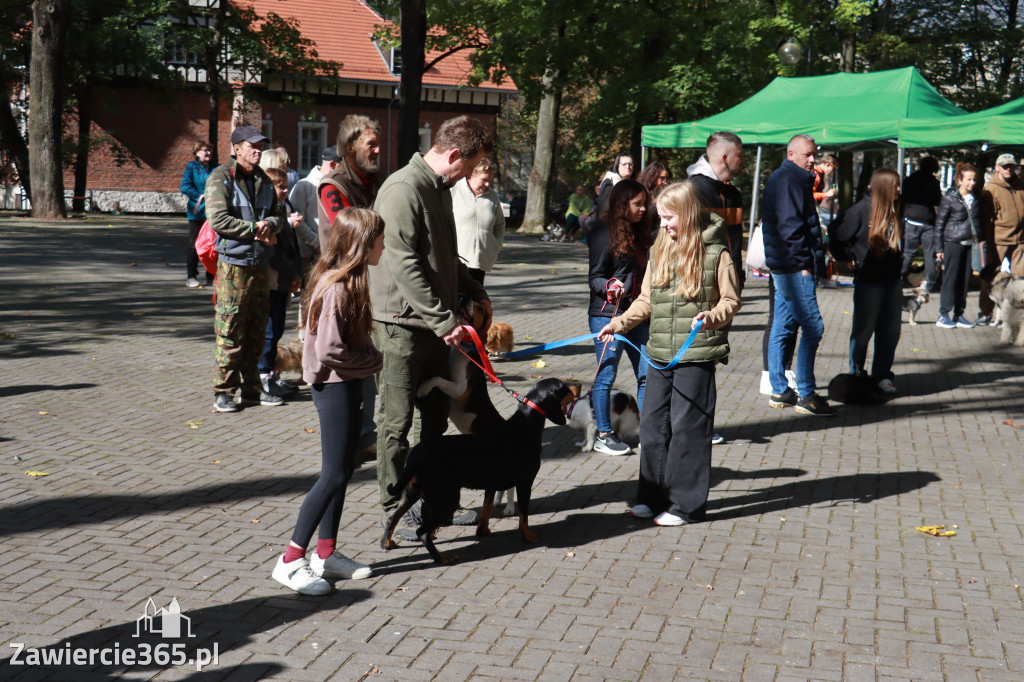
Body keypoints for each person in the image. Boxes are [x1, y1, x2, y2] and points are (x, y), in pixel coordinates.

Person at [370, 115, 492, 533]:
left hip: (434, 328)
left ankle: (437, 503)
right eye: (470, 166)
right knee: (395, 422)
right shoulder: (404, 189)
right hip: (400, 326)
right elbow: (403, 261)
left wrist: (474, 289)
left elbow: (442, 259)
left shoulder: (439, 188)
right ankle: (394, 507)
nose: (470, 176)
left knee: (435, 420)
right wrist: (443, 320)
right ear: (454, 155)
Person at [598, 180, 740, 526]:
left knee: (688, 428)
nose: (662, 225)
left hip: (696, 354)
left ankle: (685, 505)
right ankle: (650, 496)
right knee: (653, 427)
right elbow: (646, 300)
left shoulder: (717, 252)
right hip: (658, 352)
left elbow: (731, 301)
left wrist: (710, 317)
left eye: (668, 218)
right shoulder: (660, 247)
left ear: (688, 215)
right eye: (660, 218)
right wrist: (618, 324)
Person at [271, 207, 385, 595]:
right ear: (362, 245)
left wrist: (368, 354)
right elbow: (330, 349)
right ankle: (290, 561)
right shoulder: (336, 287)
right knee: (333, 474)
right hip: (334, 386)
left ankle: (326, 554)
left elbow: (355, 337)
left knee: (344, 469)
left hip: (347, 383)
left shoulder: (352, 280)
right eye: (379, 240)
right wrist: (373, 360)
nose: (383, 245)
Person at [318, 116, 384, 454]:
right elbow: (355, 232)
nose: (378, 150)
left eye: (377, 143)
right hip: (340, 289)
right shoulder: (333, 186)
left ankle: (365, 435)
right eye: (370, 144)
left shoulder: (376, 181)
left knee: (366, 361)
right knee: (343, 363)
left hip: (368, 285)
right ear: (349, 148)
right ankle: (345, 441)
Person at [206, 125, 283, 413]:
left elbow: (278, 216)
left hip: (259, 264)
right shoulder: (220, 177)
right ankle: (224, 391)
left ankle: (252, 388)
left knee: (256, 327)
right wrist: (254, 229)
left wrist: (270, 225)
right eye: (252, 145)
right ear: (237, 148)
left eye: (261, 145)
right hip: (234, 266)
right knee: (230, 328)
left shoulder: (263, 179)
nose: (258, 150)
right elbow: (218, 220)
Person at [762, 134, 834, 416]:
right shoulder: (788, 181)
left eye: (814, 154)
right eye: (808, 154)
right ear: (791, 154)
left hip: (788, 265)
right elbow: (790, 229)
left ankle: (779, 389)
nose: (813, 159)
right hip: (793, 267)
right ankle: (806, 393)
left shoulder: (793, 179)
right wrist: (804, 264)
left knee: (783, 325)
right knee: (813, 327)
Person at [587, 178, 653, 455]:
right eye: (637, 204)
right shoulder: (604, 234)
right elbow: (595, 278)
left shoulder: (642, 234)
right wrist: (610, 286)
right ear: (622, 205)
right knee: (606, 376)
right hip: (608, 315)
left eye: (645, 204)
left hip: (638, 314)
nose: (643, 209)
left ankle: (650, 432)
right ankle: (604, 433)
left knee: (649, 374)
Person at [832, 168, 904, 394]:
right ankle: (856, 374)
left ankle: (882, 375)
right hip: (869, 280)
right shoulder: (861, 210)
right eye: (896, 186)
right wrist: (847, 258)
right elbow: (836, 233)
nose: (900, 190)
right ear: (884, 187)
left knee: (890, 330)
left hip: (892, 279)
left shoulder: (895, 210)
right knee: (864, 329)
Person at [258, 167, 303, 398]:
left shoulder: (285, 209)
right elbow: (274, 252)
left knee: (276, 331)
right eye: (280, 186)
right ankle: (264, 378)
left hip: (283, 281)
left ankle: (273, 374)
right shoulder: (268, 214)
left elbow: (291, 246)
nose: (285, 190)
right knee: (268, 332)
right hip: (272, 281)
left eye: (286, 185)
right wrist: (292, 272)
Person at [687, 132, 746, 286]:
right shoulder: (692, 191)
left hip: (730, 283)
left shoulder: (733, 194)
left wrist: (737, 275)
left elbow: (734, 242)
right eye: (739, 155)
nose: (743, 160)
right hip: (701, 285)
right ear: (725, 158)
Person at [979, 153, 1024, 325]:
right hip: (998, 241)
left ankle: (1018, 313)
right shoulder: (990, 189)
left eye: (1011, 166)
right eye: (1004, 166)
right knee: (991, 279)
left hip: (1019, 241)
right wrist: (988, 246)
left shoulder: (1021, 186)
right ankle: (986, 312)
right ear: (997, 168)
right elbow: (986, 221)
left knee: (1021, 279)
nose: (1008, 169)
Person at [935, 163, 980, 329]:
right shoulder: (949, 198)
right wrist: (939, 248)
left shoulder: (976, 198)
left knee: (965, 280)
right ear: (959, 180)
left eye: (974, 179)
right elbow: (939, 224)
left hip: (969, 244)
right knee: (950, 279)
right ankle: (944, 314)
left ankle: (959, 314)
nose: (972, 183)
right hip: (953, 243)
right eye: (969, 179)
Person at [452, 157, 505, 284]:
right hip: (456, 262)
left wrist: (496, 244)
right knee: (455, 301)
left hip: (481, 262)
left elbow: (500, 224)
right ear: (471, 175)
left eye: (490, 180)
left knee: (476, 301)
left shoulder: (492, 196)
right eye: (484, 180)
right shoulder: (454, 190)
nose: (487, 184)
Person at [289, 146, 341, 272]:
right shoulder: (304, 185)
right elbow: (297, 220)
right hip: (308, 254)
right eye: (342, 168)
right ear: (333, 165)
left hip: (332, 251)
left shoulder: (336, 184)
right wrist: (317, 243)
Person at [901, 156, 943, 292]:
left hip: (911, 219)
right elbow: (938, 201)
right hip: (927, 221)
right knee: (929, 254)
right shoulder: (933, 182)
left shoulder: (909, 180)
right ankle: (930, 283)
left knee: (908, 252)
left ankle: (898, 278)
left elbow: (903, 197)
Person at [180, 139, 216, 288]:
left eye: (209, 150)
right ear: (197, 153)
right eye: (204, 150)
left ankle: (211, 275)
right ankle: (191, 276)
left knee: (213, 244)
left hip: (213, 211)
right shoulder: (192, 167)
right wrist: (200, 197)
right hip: (197, 211)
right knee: (194, 244)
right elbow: (185, 186)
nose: (208, 153)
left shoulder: (215, 167)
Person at [596, 153, 635, 218]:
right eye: (624, 164)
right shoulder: (610, 181)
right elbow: (603, 210)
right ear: (617, 166)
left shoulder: (632, 182)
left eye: (630, 164)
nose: (628, 167)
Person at [638, 161, 672, 237]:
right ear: (652, 177)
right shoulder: (642, 196)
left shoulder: (667, 196)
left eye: (667, 179)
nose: (665, 182)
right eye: (662, 178)